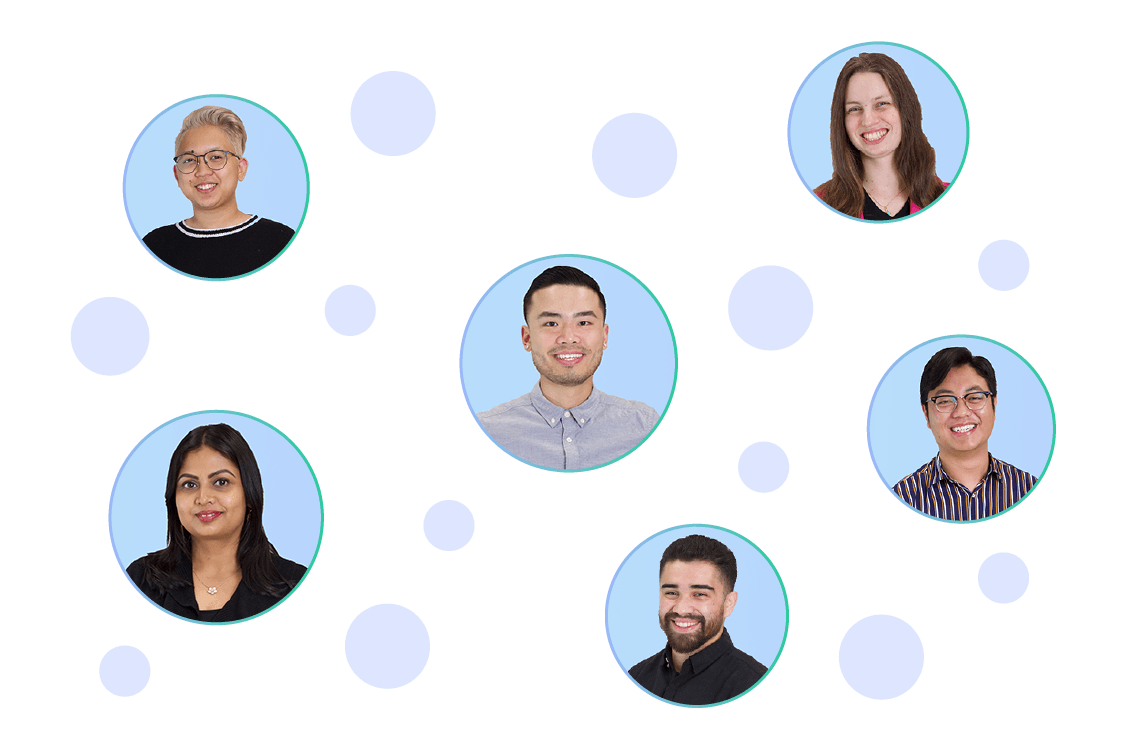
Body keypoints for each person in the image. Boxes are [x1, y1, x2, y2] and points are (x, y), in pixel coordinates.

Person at [476, 266, 659, 470]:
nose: (568, 337)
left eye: (583, 322)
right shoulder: (487, 431)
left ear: (604, 336)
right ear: (527, 338)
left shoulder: (645, 426)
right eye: (551, 323)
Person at [126, 424, 306, 622]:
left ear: (249, 494)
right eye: (189, 484)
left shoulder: (295, 584)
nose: (203, 498)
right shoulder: (140, 580)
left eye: (221, 482)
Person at [142, 106, 295, 278]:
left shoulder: (281, 242)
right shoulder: (154, 246)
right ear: (177, 175)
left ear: (241, 169)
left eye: (216, 157)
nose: (202, 172)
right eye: (189, 160)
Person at [894, 347, 1037, 520]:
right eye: (945, 401)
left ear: (994, 404)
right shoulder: (903, 497)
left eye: (974, 397)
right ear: (926, 414)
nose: (961, 412)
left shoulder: (1028, 488)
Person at [628, 535, 768, 705]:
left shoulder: (755, 685)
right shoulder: (636, 677)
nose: (681, 609)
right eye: (671, 593)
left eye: (700, 594)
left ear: (729, 603)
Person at [814, 53, 948, 220]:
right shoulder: (820, 203)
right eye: (854, 109)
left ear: (906, 110)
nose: (868, 121)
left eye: (882, 104)